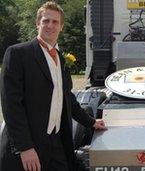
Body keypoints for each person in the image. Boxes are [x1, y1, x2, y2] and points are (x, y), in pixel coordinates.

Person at [0, 1, 106, 171]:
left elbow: (66, 98)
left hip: (56, 142)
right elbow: (11, 105)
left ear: (61, 26)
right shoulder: (17, 54)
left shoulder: (60, 58)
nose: (50, 25)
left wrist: (91, 122)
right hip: (29, 146)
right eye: (45, 21)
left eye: (55, 22)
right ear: (37, 24)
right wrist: (25, 147)